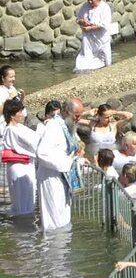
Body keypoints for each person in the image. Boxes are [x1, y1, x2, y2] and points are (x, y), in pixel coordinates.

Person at [36, 97, 85, 231]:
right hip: (51, 177)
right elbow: (42, 153)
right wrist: (69, 163)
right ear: (66, 111)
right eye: (76, 115)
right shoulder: (53, 126)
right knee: (54, 218)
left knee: (63, 216)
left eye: (80, 115)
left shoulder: (65, 125)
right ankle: (53, 249)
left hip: (63, 176)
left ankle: (63, 248)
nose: (79, 119)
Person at [2, 98, 39, 216]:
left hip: (23, 166)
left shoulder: (17, 127)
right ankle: (23, 229)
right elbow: (33, 142)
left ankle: (23, 227)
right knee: (24, 202)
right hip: (19, 167)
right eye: (19, 111)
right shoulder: (12, 130)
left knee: (25, 199)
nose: (22, 114)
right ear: (13, 115)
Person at [74, 0, 112, 72]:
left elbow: (104, 25)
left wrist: (91, 28)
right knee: (84, 62)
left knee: (107, 63)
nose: (90, 2)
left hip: (101, 41)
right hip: (88, 40)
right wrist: (82, 22)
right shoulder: (85, 6)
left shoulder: (104, 8)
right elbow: (78, 19)